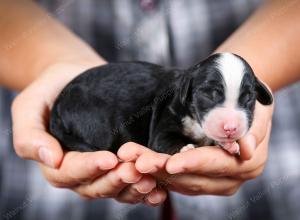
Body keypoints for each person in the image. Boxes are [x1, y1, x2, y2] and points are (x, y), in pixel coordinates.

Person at [0, 0, 299, 219]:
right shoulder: (174, 104)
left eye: (245, 99)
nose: (232, 122)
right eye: (213, 96)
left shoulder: (193, 94)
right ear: (187, 91)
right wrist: (47, 64)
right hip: (50, 196)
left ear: (259, 94)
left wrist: (263, 60)